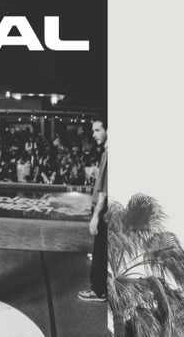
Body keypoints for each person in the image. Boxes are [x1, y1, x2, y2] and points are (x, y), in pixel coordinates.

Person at [78, 116, 108, 302]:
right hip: (107, 211)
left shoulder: (109, 154)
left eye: (97, 130)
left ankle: (98, 290)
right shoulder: (107, 153)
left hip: (103, 212)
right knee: (103, 249)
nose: (94, 134)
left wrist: (96, 215)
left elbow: (104, 191)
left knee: (100, 250)